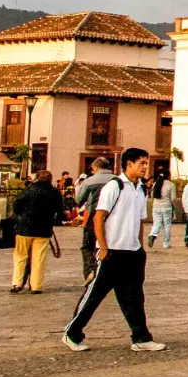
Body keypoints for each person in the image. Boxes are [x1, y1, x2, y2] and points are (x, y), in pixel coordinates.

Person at [63, 148, 165, 353]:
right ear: (128, 164)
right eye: (141, 163)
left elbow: (139, 220)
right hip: (112, 251)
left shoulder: (140, 189)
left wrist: (140, 247)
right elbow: (99, 217)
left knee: (134, 297)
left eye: (146, 163)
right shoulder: (115, 186)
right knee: (95, 295)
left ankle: (141, 336)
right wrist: (103, 247)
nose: (145, 167)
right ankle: (72, 332)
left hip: (132, 251)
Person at [8, 168, 60, 294]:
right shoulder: (54, 192)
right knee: (39, 258)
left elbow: (16, 205)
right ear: (50, 179)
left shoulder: (29, 190)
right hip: (44, 228)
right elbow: (59, 209)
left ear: (37, 178)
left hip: (24, 228)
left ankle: (17, 283)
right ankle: (36, 286)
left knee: (20, 256)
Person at [74, 158, 115, 280]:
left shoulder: (90, 181)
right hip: (113, 217)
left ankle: (91, 272)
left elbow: (79, 199)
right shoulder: (118, 180)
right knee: (111, 245)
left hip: (94, 216)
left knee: (88, 246)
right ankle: (109, 273)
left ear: (96, 167)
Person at [146, 171, 176, 250]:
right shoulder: (171, 185)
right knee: (167, 225)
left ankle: (152, 234)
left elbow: (152, 196)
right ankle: (166, 243)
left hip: (156, 207)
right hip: (166, 207)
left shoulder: (156, 184)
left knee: (156, 223)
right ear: (168, 176)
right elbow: (173, 198)